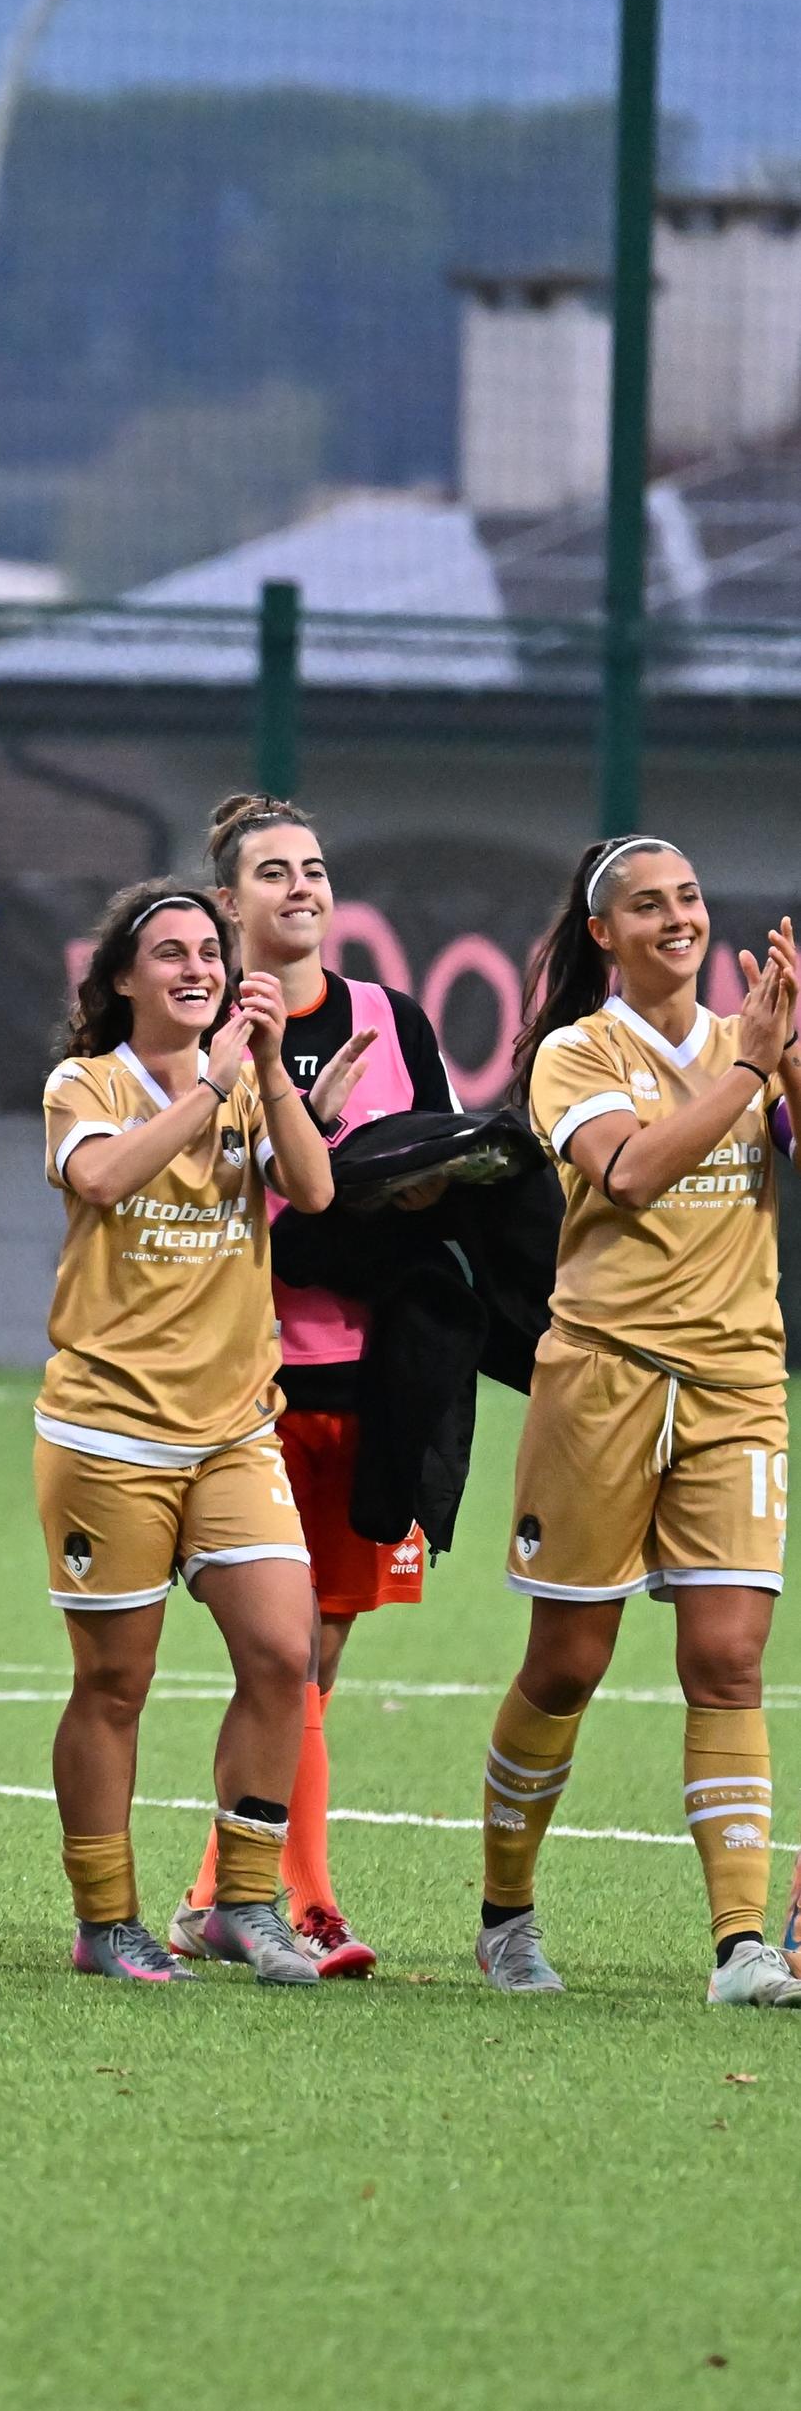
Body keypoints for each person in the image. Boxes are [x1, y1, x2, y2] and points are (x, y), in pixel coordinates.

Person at [477, 839, 801, 2008]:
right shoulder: (579, 1051)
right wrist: (748, 1070)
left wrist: (785, 1062)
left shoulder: (752, 1041)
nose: (678, 917)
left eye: (690, 898)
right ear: (601, 932)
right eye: (647, 904)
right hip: (601, 1380)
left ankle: (739, 1944)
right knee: (566, 1664)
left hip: (735, 1385)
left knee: (725, 1657)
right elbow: (629, 1175)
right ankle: (504, 1915)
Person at [160, 793, 457, 1977]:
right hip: (241, 1387)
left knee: (315, 1655)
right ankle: (308, 1902)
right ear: (224, 902)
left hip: (369, 1380)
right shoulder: (200, 1036)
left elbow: (444, 1170)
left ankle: (213, 1895)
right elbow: (174, 1202)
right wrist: (306, 1151)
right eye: (271, 871)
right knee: (277, 1652)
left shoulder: (392, 1019)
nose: (299, 887)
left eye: (313, 868)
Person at [36, 881, 351, 1984]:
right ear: (121, 976)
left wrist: (263, 1073)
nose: (195, 968)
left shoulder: (246, 1085)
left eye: (207, 952)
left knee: (282, 1650)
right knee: (113, 1682)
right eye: (166, 953)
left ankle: (242, 1902)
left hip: (229, 1429)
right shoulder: (83, 1082)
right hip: (105, 1432)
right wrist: (209, 1081)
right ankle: (105, 1918)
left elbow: (309, 1190)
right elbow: (106, 1175)